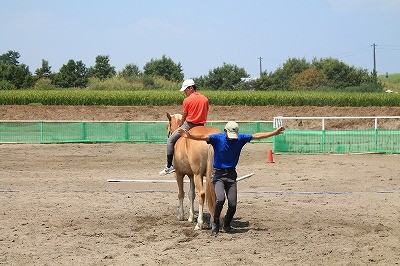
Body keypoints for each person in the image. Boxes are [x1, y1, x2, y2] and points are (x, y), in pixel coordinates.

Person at [179, 121, 285, 234]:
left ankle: (227, 224)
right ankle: (215, 221)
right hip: (218, 175)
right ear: (225, 131)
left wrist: (274, 133)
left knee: (233, 204)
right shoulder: (218, 138)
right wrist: (190, 136)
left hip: (231, 175)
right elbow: (202, 136)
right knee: (220, 199)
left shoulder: (240, 138)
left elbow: (256, 135)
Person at [159, 79, 209, 176]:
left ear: (191, 88)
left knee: (170, 140)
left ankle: (169, 166)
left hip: (189, 125)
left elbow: (185, 115)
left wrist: (180, 125)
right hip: (202, 125)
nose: (185, 93)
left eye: (185, 90)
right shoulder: (205, 99)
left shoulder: (187, 100)